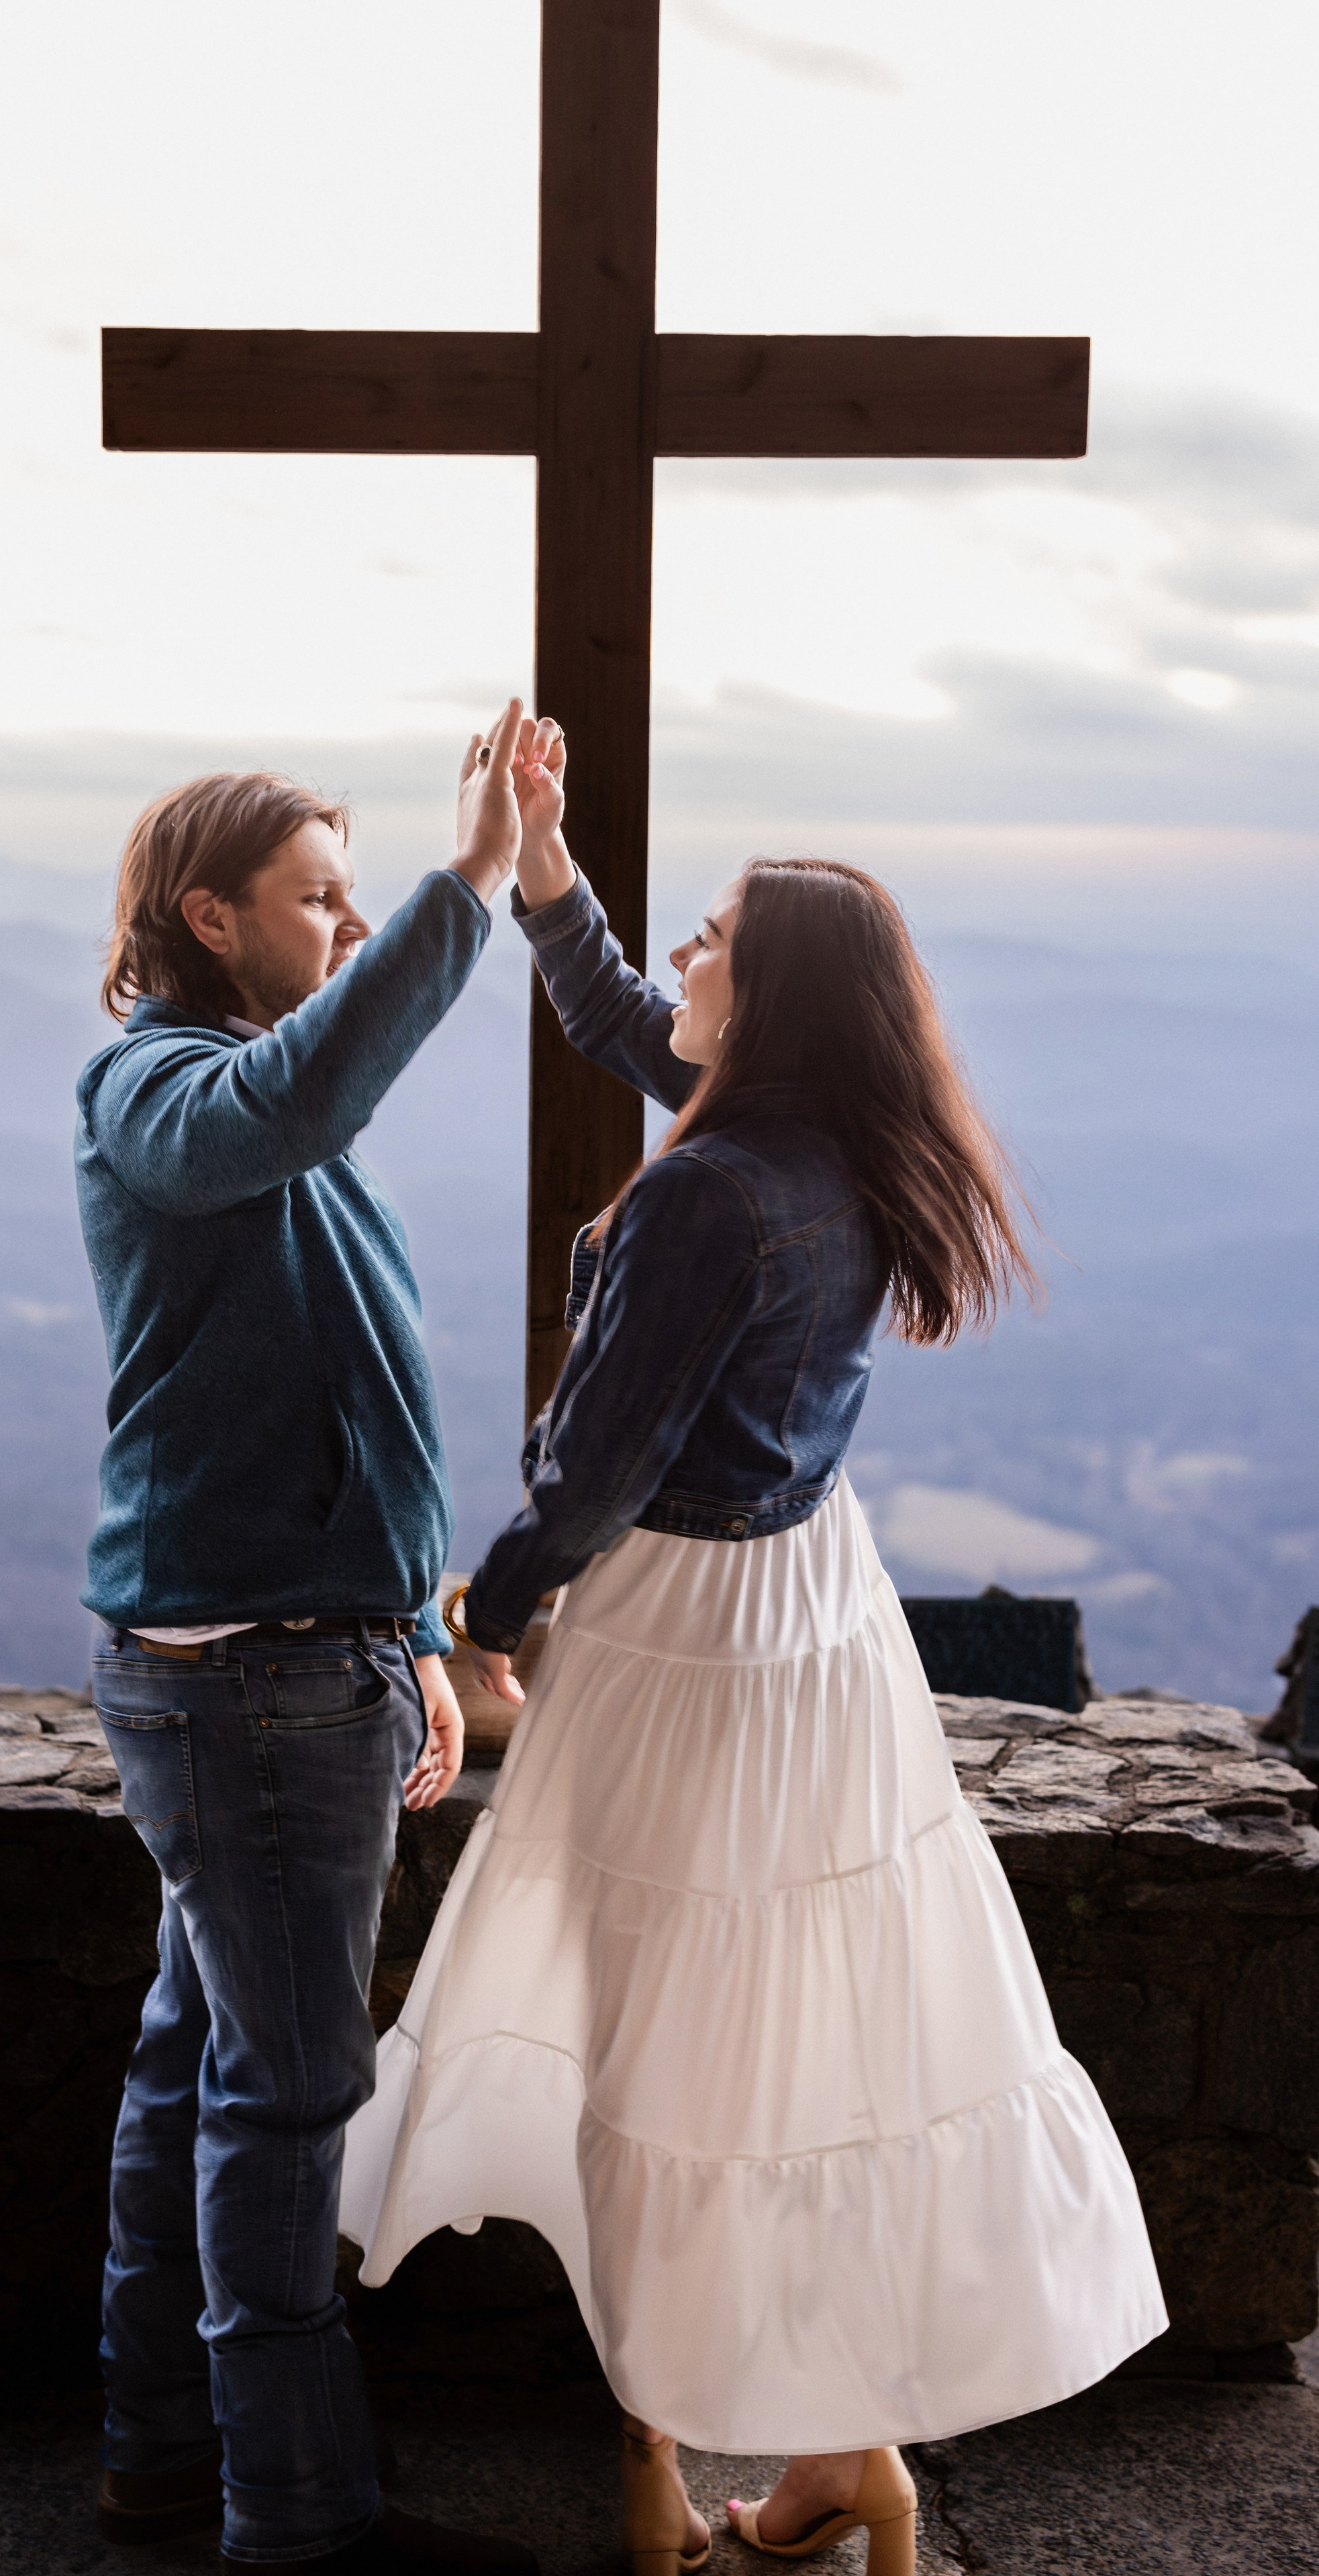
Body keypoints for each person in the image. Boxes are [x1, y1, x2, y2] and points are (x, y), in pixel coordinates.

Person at [342, 720, 1167, 2575]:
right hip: (812, 1624)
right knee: (804, 2053)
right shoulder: (838, 1146)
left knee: (651, 2061)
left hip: (679, 1643)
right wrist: (548, 883)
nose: (685, 958)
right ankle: (842, 2460)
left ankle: (652, 2466)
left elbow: (594, 1472)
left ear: (777, 1003)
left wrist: (480, 1614)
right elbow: (651, 1038)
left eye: (712, 935)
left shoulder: (714, 1194)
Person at [75, 702, 539, 2575]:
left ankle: (156, 2451)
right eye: (320, 899)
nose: (346, 930)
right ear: (207, 916)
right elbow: (306, 1098)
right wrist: (479, 883)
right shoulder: (162, 1094)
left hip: (299, 1646)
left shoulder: (255, 1096)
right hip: (249, 1678)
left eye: (360, 900)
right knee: (286, 2097)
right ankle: (296, 2515)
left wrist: (411, 1621)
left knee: (198, 2057)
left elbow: (358, 1391)